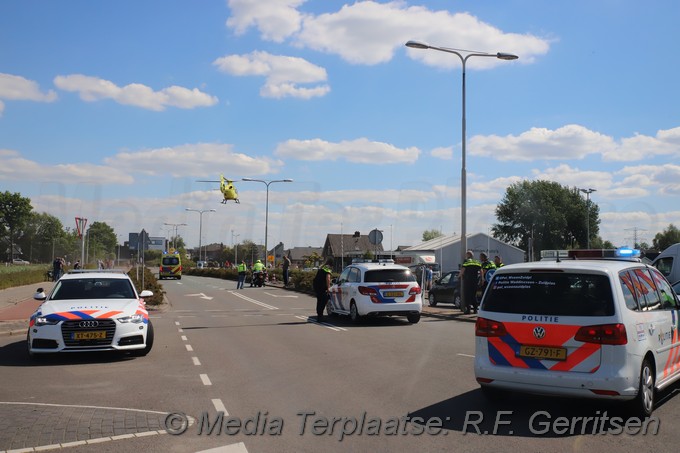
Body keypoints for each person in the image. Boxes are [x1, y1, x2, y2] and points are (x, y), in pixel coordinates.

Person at [459, 250, 481, 314]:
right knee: (474, 295)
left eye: (466, 254)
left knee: (467, 295)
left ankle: (468, 309)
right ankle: (475, 310)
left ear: (468, 255)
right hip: (475, 281)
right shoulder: (476, 262)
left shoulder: (466, 261)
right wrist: (482, 278)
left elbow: (463, 270)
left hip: (467, 281)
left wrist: (459, 276)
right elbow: (481, 270)